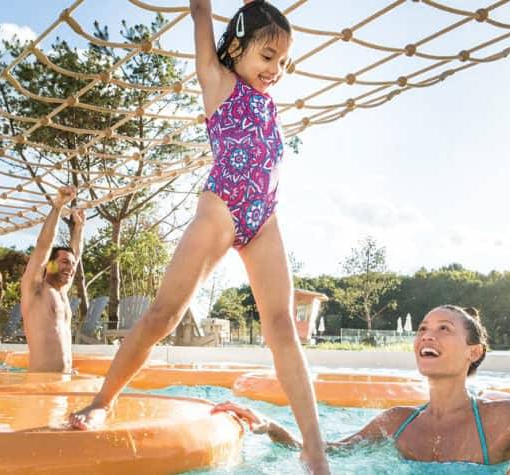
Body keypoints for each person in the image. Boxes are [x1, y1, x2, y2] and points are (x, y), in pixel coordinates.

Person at [69, 1, 330, 472]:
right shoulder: (217, 79)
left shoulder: (268, 101)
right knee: (163, 315)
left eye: (284, 62)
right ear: (237, 47)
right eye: (267, 56)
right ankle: (102, 401)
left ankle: (315, 447)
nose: (276, 69)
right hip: (222, 209)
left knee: (281, 326)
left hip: (264, 217)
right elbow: (200, 13)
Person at [214, 305, 510, 466]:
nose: (426, 336)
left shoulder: (503, 419)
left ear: (474, 352)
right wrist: (271, 427)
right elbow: (326, 454)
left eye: (443, 329)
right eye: (421, 329)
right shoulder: (396, 422)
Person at [20, 186, 85, 372]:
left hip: (64, 380)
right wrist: (57, 207)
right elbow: (43, 246)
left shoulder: (61, 292)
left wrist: (79, 228)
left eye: (72, 264)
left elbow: (76, 255)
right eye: (64, 262)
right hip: (41, 383)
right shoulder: (35, 289)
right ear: (49, 265)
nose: (70, 268)